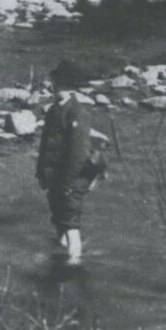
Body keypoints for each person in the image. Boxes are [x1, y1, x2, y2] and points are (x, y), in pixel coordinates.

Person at [35, 58, 108, 265]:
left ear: (65, 86)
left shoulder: (77, 112)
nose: (51, 86)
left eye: (55, 83)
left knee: (71, 224)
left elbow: (78, 154)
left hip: (72, 180)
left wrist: (67, 184)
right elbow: (45, 146)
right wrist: (42, 173)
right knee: (59, 219)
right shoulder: (54, 111)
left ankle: (73, 263)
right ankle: (59, 254)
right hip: (56, 178)